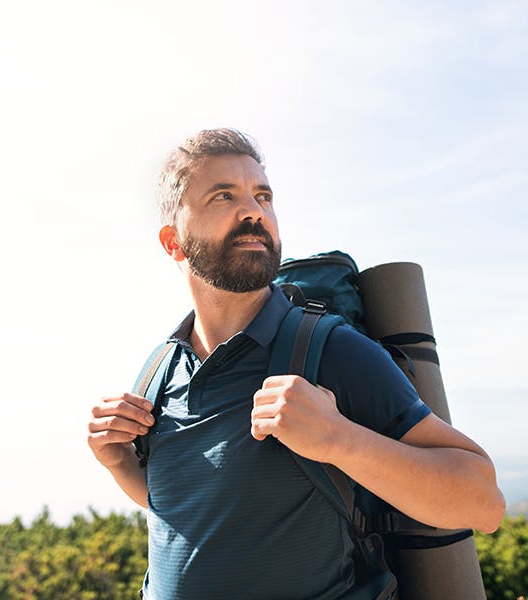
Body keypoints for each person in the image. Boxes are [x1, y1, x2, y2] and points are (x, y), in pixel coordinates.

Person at [87, 128, 505, 599]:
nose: (253, 211)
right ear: (173, 242)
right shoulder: (161, 370)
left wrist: (339, 439)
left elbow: (483, 501)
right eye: (223, 196)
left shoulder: (330, 352)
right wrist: (120, 465)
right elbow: (200, 515)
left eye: (262, 195)